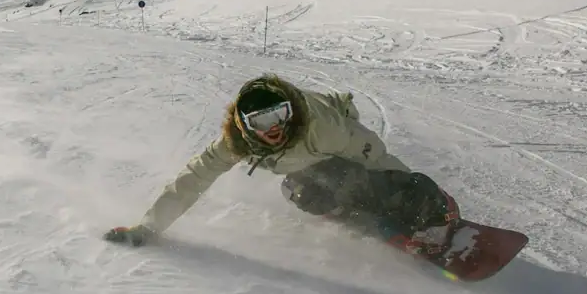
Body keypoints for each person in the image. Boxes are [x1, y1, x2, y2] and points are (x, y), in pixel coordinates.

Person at [103, 73, 459, 253]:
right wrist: (148, 228)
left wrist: (405, 188)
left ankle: (430, 205)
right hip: (300, 163)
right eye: (260, 121)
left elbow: (372, 152)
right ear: (245, 125)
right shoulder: (234, 144)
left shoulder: (322, 127)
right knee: (300, 193)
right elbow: (192, 180)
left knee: (353, 178)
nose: (273, 129)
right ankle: (357, 209)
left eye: (278, 115)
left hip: (335, 141)